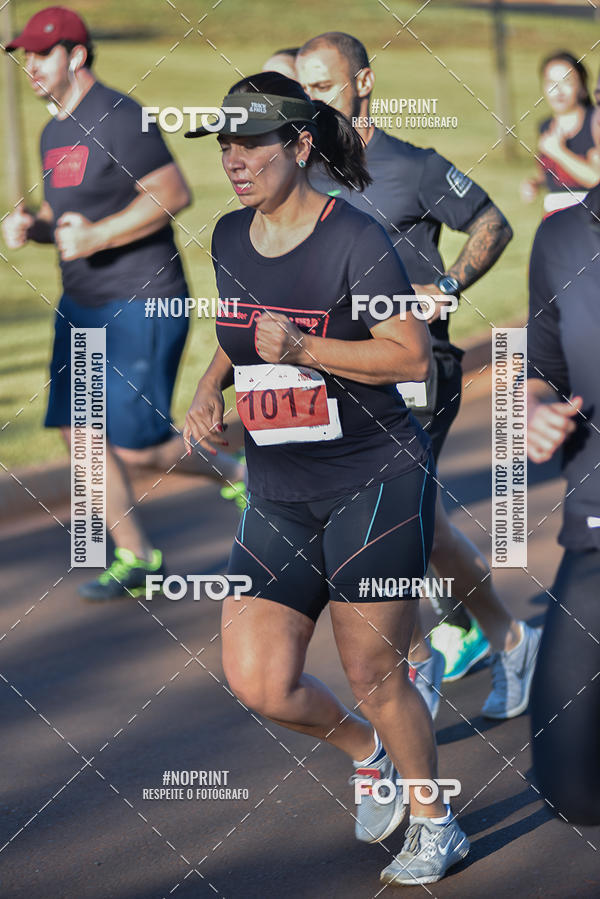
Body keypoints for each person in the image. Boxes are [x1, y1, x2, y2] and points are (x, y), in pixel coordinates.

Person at [184, 71, 470, 886]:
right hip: (279, 485)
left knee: (375, 672)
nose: (234, 159)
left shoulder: (358, 238)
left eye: (249, 144)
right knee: (259, 680)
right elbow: (237, 330)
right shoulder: (228, 238)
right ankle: (366, 752)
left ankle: (435, 819)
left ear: (298, 146)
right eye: (224, 146)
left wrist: (305, 349)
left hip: (372, 475)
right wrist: (210, 390)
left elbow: (410, 357)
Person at [296, 31, 540, 720]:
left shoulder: (413, 165)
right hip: (340, 375)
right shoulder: (305, 173)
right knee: (422, 528)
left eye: (325, 84)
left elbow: (491, 221)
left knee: (391, 524)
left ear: (364, 82)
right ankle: (511, 637)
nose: (313, 98)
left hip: (416, 371)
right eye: (304, 86)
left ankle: (414, 672)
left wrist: (449, 283)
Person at [1, 6, 245, 601]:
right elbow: (72, 220)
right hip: (81, 302)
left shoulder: (118, 114)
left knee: (135, 441)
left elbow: (171, 193)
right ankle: (137, 554)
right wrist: (34, 228)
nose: (30, 66)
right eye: (25, 56)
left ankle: (242, 471)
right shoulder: (54, 130)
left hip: (142, 299)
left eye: (41, 54)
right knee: (76, 430)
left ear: (76, 55)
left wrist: (97, 236)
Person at [527, 182, 600, 825]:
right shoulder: (561, 237)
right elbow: (539, 372)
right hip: (598, 523)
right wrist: (532, 413)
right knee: (571, 793)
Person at [521, 51, 600, 216]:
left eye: (567, 81)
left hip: (589, 221)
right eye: (551, 82)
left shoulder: (594, 122)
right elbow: (556, 175)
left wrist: (558, 151)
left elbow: (596, 179)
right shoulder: (545, 127)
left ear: (583, 88)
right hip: (554, 221)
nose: (558, 90)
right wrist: (536, 182)